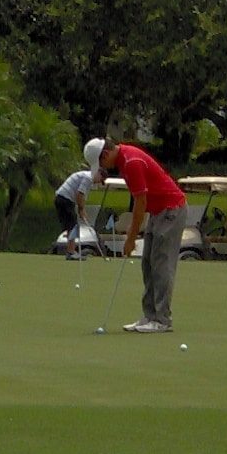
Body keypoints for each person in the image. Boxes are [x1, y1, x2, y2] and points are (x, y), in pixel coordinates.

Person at [95, 137, 187, 331]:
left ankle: (162, 320)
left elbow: (140, 203)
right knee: (148, 263)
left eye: (100, 163)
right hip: (158, 211)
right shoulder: (124, 159)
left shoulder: (131, 163)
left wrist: (130, 239)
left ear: (104, 155)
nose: (102, 168)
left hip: (171, 210)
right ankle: (150, 316)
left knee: (161, 264)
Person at [53, 140, 105, 258]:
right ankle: (71, 252)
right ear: (98, 174)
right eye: (101, 179)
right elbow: (79, 194)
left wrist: (82, 209)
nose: (99, 182)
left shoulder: (87, 177)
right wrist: (81, 209)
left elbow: (81, 196)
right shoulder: (88, 178)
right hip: (64, 199)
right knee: (73, 226)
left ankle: (70, 250)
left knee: (71, 225)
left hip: (63, 198)